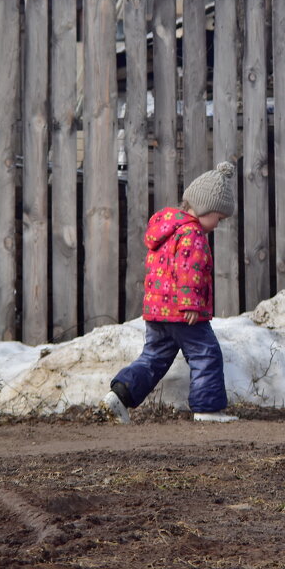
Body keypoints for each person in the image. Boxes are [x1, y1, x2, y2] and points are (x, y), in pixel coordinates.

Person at [102, 161, 239, 424]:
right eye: (218, 218)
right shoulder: (192, 233)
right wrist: (190, 305)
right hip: (183, 312)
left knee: (153, 358)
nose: (218, 225)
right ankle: (208, 408)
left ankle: (120, 395)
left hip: (157, 311)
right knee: (205, 353)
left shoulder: (167, 231)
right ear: (204, 207)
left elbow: (160, 270)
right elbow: (188, 270)